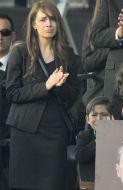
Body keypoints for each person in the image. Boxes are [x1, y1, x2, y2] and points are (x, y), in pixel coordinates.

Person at [5, 1, 80, 190]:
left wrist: (59, 86)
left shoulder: (68, 55)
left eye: (53, 19)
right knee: (23, 184)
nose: (49, 23)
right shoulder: (20, 51)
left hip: (55, 130)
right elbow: (12, 93)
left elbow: (73, 95)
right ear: (34, 24)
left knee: (52, 184)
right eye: (43, 19)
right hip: (25, 131)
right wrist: (45, 85)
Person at [74, 96, 113, 190]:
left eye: (104, 114)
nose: (99, 118)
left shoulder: (117, 137)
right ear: (87, 119)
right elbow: (80, 155)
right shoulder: (84, 135)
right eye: (94, 115)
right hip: (90, 185)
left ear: (112, 117)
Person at [0, 13, 15, 190]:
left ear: (13, 36)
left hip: (15, 147)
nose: (0, 37)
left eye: (5, 32)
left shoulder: (24, 67)